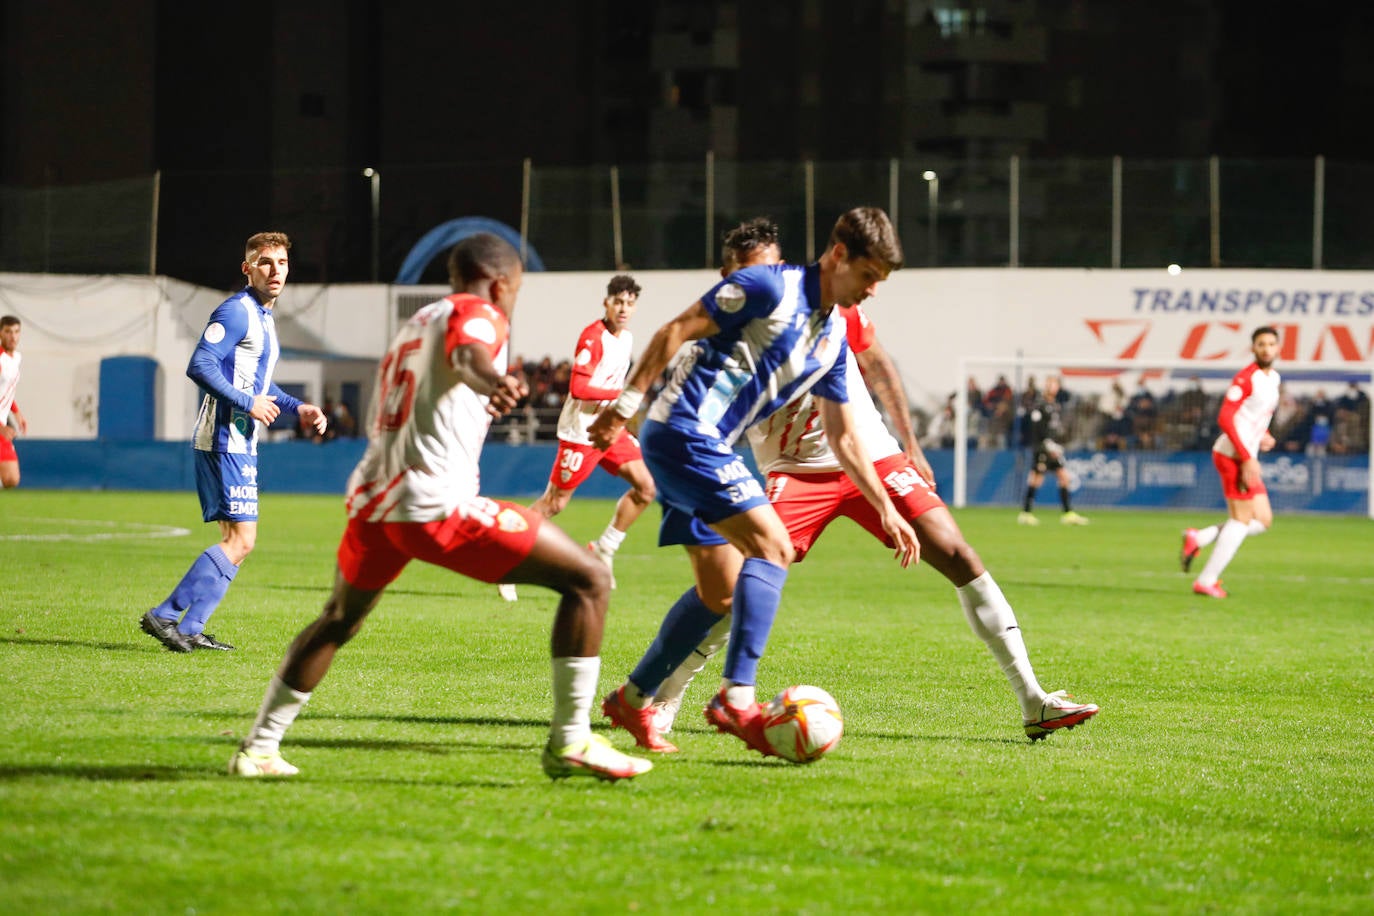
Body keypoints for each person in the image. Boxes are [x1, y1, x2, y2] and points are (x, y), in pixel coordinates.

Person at [648, 223, 1098, 743]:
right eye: (749, 269)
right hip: (794, 471)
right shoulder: (718, 329)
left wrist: (909, 440)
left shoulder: (827, 309)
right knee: (741, 578)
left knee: (957, 553)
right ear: (727, 276)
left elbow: (878, 364)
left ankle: (1033, 700)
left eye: (770, 263)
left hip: (872, 456)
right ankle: (668, 692)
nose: (762, 276)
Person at [229, 233, 651, 782]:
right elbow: (469, 351)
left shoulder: (417, 319)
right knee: (590, 579)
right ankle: (571, 741)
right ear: (501, 283)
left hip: (373, 500)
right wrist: (495, 380)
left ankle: (258, 748)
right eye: (517, 288)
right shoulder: (482, 311)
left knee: (339, 619)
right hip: (431, 504)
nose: (514, 298)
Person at [588, 207, 920, 758]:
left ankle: (632, 698)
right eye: (868, 277)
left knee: (718, 591)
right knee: (774, 546)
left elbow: (844, 438)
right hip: (684, 430)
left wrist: (883, 505)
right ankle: (735, 697)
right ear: (838, 255)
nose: (873, 291)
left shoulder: (832, 337)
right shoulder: (767, 285)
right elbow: (675, 330)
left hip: (707, 444)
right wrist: (623, 407)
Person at [140, 232, 328, 653]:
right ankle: (167, 615)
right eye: (265, 262)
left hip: (241, 441)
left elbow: (259, 383)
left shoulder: (264, 318)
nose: (274, 269)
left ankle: (190, 629)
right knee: (241, 540)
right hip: (224, 438)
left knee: (239, 543)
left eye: (281, 262)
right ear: (247, 268)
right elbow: (200, 365)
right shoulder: (237, 311)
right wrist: (248, 402)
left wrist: (300, 407)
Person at [497, 275, 656, 601]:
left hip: (610, 430)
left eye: (629, 303)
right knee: (554, 503)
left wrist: (622, 411)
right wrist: (622, 394)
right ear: (606, 303)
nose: (623, 308)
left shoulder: (626, 339)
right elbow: (579, 389)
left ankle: (604, 548)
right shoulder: (592, 337)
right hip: (581, 434)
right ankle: (507, 561)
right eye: (618, 302)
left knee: (646, 487)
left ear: (635, 306)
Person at [1181, 326, 1281, 598]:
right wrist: (1248, 458)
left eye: (1271, 344)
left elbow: (1254, 416)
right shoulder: (1245, 378)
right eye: (1261, 344)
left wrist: (1265, 434)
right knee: (1241, 521)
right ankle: (1206, 580)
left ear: (1277, 348)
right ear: (1253, 348)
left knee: (1262, 520)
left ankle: (1198, 538)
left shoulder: (1273, 378)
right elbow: (1226, 418)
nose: (1266, 348)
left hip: (1247, 455)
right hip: (1232, 456)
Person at [1018, 375, 1089, 526]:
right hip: (1042, 448)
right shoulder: (1040, 405)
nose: (1053, 387)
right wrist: (1046, 444)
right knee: (1036, 479)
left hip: (1052, 448)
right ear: (1046, 386)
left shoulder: (1055, 405)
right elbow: (1036, 429)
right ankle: (1026, 513)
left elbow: (1054, 428)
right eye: (1051, 384)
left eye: (1055, 384)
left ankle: (1068, 513)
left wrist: (1056, 443)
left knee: (1064, 477)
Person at [0, 315, 27, 489]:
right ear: (0, 333)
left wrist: (17, 414)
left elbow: (7, 390)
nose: (13, 336)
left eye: (16, 332)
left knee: (11, 479)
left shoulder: (16, 358)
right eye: (8, 331)